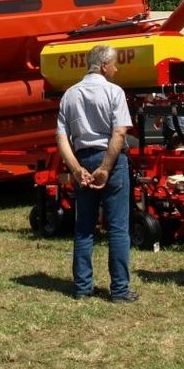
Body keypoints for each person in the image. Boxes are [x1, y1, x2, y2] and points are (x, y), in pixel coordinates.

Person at [55, 44, 135, 303]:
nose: (116, 68)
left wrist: (77, 169)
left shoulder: (69, 94)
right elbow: (120, 132)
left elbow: (62, 139)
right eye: (114, 64)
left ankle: (82, 288)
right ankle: (120, 291)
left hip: (82, 157)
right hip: (110, 158)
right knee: (117, 229)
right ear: (103, 65)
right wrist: (106, 167)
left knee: (84, 227)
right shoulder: (114, 92)